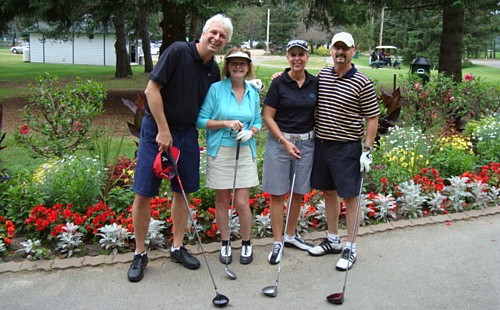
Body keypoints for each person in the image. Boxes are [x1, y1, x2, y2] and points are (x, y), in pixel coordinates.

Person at [127, 14, 233, 282]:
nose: (217, 38)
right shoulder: (178, 51)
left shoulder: (212, 70)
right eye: (213, 32)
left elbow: (215, 103)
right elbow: (152, 90)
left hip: (186, 134)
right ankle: (140, 253)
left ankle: (177, 246)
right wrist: (163, 130)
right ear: (203, 32)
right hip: (157, 130)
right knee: (144, 192)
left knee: (182, 192)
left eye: (222, 36)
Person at [307, 32, 379, 271]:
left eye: (344, 49)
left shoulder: (362, 81)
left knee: (350, 197)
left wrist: (367, 149)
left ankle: (351, 246)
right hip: (322, 144)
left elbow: (372, 117)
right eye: (336, 48)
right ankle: (333, 239)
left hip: (347, 147)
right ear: (330, 50)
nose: (340, 53)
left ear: (353, 51)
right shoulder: (323, 75)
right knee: (329, 193)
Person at [197, 47, 262, 265]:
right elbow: (201, 120)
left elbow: (258, 122)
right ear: (228, 66)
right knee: (222, 201)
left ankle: (246, 242)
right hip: (221, 151)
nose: (238, 66)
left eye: (242, 63)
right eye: (234, 62)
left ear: (248, 67)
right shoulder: (216, 89)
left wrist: (251, 131)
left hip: (244, 150)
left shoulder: (252, 92)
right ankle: (225, 242)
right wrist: (225, 123)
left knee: (242, 202)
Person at [262, 39, 318, 265]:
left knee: (298, 192)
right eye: (293, 54)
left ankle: (291, 235)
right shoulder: (279, 83)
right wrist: (284, 141)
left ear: (307, 57)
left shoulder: (316, 82)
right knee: (277, 193)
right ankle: (277, 241)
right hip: (280, 143)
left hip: (306, 144)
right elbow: (267, 116)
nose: (297, 58)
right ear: (288, 57)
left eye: (301, 54)